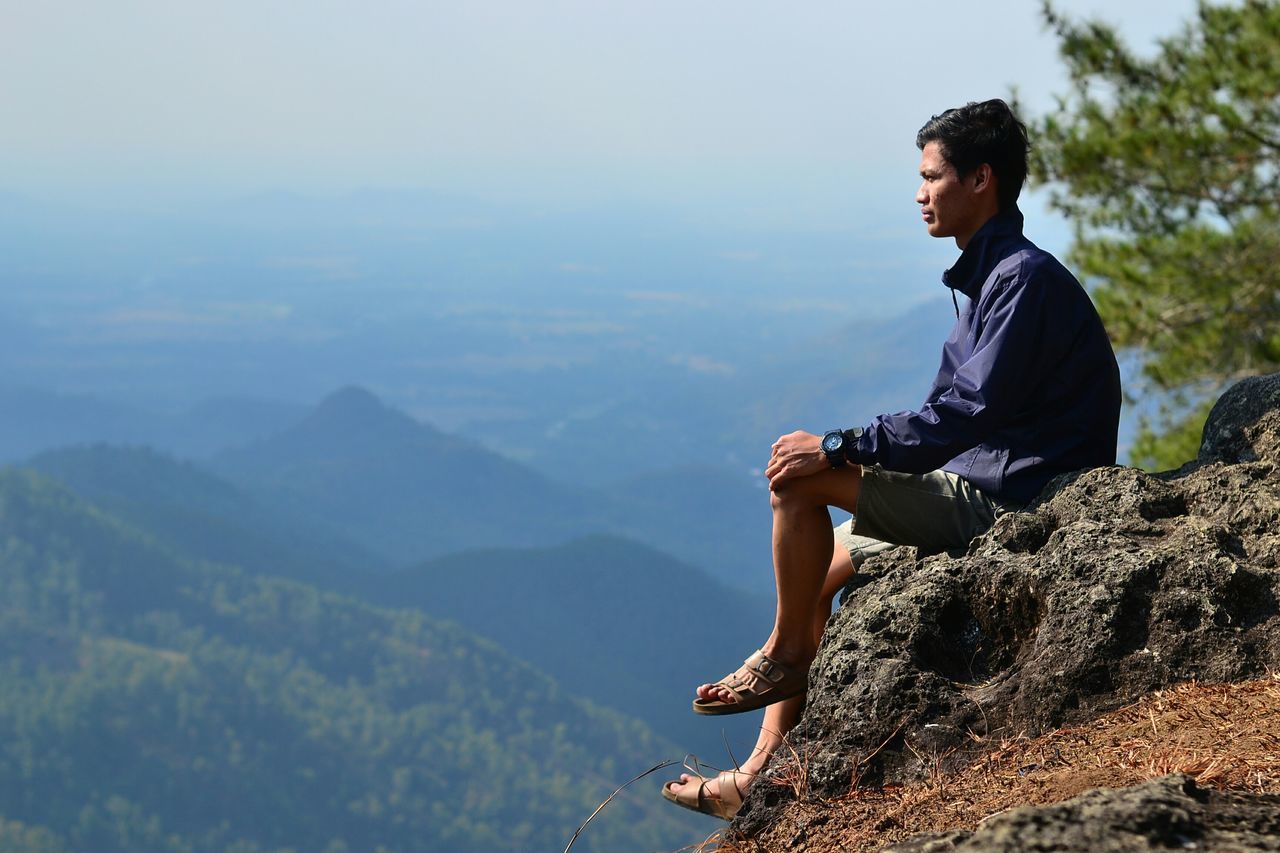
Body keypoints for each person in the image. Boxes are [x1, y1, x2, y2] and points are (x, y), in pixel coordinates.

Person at [662, 98, 1122, 820]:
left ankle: (781, 656)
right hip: (982, 478)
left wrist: (839, 446)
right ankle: (756, 773)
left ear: (981, 180)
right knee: (814, 576)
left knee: (798, 480)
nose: (919, 193)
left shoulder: (1021, 281)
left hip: (1015, 499)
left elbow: (963, 415)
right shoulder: (991, 278)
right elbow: (951, 413)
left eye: (931, 176)